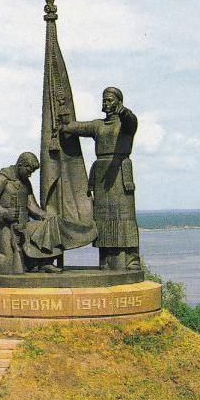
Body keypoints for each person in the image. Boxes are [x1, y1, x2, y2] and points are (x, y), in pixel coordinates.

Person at [61, 87, 141, 271]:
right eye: (104, 100)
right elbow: (77, 127)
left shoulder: (125, 124)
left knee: (124, 216)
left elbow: (131, 121)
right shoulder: (98, 126)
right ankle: (106, 258)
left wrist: (124, 112)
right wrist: (64, 123)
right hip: (101, 174)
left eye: (110, 100)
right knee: (103, 218)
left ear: (119, 102)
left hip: (120, 172)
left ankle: (131, 258)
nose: (106, 103)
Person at [0, 152, 62, 274]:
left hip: (24, 225)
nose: (30, 174)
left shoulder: (26, 182)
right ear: (20, 164)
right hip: (6, 226)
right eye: (29, 170)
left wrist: (45, 216)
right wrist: (5, 213)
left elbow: (31, 205)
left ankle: (45, 263)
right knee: (9, 264)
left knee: (46, 226)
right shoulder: (2, 178)